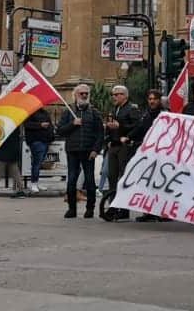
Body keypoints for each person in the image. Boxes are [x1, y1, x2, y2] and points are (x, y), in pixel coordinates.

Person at [57, 85, 104, 218]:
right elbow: (60, 130)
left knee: (90, 180)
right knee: (71, 179)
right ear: (76, 95)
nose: (84, 95)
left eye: (86, 93)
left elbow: (100, 133)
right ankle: (72, 209)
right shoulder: (68, 111)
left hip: (88, 151)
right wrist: (73, 124)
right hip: (72, 150)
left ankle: (90, 209)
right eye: (81, 93)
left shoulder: (94, 112)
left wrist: (96, 149)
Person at [103, 85, 142, 216]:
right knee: (112, 176)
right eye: (112, 95)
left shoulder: (132, 109)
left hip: (124, 146)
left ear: (125, 95)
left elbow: (137, 127)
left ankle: (124, 209)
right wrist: (108, 139)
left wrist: (122, 127)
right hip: (113, 145)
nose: (114, 97)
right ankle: (113, 205)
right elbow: (110, 127)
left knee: (123, 176)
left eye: (117, 94)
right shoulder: (115, 109)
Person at [130, 90, 167, 222]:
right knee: (147, 182)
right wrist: (128, 137)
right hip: (147, 154)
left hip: (162, 154)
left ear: (159, 100)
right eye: (150, 99)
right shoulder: (145, 114)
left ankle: (163, 212)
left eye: (154, 99)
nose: (152, 101)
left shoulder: (165, 115)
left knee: (161, 183)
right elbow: (139, 128)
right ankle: (148, 211)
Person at [24, 108, 54, 194]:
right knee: (36, 163)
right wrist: (40, 125)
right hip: (36, 141)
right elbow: (27, 124)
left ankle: (36, 182)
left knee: (39, 163)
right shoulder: (30, 112)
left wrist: (51, 137)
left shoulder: (44, 112)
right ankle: (33, 183)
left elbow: (50, 124)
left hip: (45, 140)